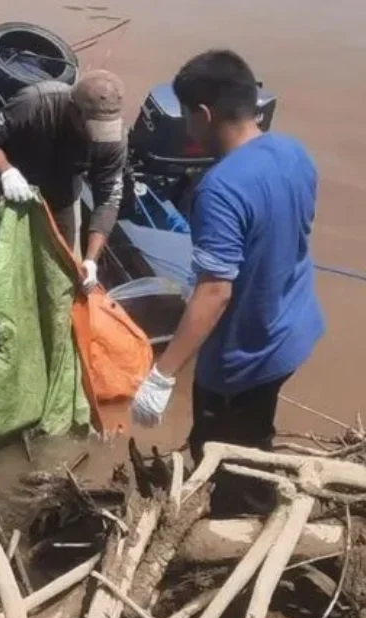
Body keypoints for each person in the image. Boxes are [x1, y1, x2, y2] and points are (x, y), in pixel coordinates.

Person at [129, 50, 325, 516]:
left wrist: (161, 375)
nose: (188, 129)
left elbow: (215, 293)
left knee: (223, 455)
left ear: (203, 114)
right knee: (255, 435)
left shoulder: (221, 188)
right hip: (294, 329)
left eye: (187, 117)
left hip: (245, 356)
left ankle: (242, 534)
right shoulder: (293, 152)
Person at [0, 70, 127, 293]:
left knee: (66, 264)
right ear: (73, 109)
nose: (96, 138)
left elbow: (109, 198)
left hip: (62, 186)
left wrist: (91, 260)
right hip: (9, 177)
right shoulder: (33, 102)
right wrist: (7, 172)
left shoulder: (114, 139)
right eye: (91, 126)